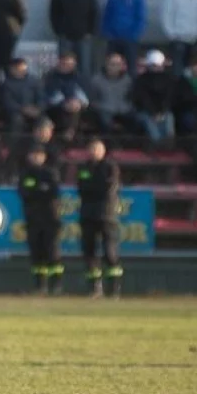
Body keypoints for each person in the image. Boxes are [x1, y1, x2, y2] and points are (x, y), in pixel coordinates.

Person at [77, 138, 122, 298]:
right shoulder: (83, 167)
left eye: (97, 148)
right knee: (89, 253)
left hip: (106, 216)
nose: (94, 152)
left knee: (109, 252)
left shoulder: (110, 167)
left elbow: (108, 189)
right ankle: (95, 288)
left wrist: (92, 186)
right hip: (87, 215)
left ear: (103, 151)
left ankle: (114, 288)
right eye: (91, 148)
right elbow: (81, 188)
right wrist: (93, 186)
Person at [18, 144, 62, 295]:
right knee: (36, 253)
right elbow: (24, 193)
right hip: (32, 219)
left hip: (50, 219)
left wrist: (36, 191)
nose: (36, 158)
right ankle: (40, 286)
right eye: (33, 154)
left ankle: (56, 285)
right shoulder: (25, 174)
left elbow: (53, 193)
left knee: (52, 251)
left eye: (39, 154)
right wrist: (40, 190)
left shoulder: (50, 173)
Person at [49, 0, 98, 77]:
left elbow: (94, 12)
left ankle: (83, 92)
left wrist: (91, 32)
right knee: (65, 67)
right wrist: (58, 31)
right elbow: (53, 13)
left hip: (84, 36)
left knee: (84, 67)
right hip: (65, 36)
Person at [102, 0, 147, 75]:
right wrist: (107, 32)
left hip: (130, 39)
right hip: (113, 38)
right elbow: (107, 15)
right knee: (112, 67)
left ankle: (131, 90)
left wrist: (134, 34)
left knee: (131, 69)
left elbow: (141, 18)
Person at [132, 50, 176, 148]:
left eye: (158, 65)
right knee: (152, 126)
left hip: (164, 111)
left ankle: (169, 145)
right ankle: (157, 145)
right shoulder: (141, 80)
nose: (156, 68)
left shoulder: (169, 79)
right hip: (145, 112)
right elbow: (142, 98)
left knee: (169, 119)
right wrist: (153, 112)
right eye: (153, 65)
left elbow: (169, 97)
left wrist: (162, 112)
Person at [44, 52, 89, 145]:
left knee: (75, 110)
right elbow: (50, 95)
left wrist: (78, 102)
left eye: (69, 64)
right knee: (67, 112)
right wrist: (64, 103)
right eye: (64, 64)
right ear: (58, 63)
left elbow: (84, 95)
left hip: (77, 107)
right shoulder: (50, 77)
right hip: (55, 107)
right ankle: (68, 135)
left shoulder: (80, 77)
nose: (66, 66)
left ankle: (69, 135)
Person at [90, 52, 135, 138]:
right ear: (106, 64)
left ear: (122, 66)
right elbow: (92, 99)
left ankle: (129, 144)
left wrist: (128, 107)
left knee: (134, 118)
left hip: (124, 109)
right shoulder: (96, 80)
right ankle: (108, 144)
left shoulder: (128, 80)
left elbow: (131, 97)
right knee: (105, 120)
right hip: (104, 109)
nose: (115, 67)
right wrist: (101, 106)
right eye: (112, 64)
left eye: (118, 64)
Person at [2, 57, 44, 138]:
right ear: (12, 69)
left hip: (34, 110)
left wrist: (38, 108)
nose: (21, 71)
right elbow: (8, 102)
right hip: (16, 112)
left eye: (23, 68)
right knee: (17, 121)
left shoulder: (34, 81)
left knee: (43, 121)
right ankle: (16, 146)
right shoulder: (7, 84)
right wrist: (23, 109)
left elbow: (41, 97)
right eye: (18, 68)